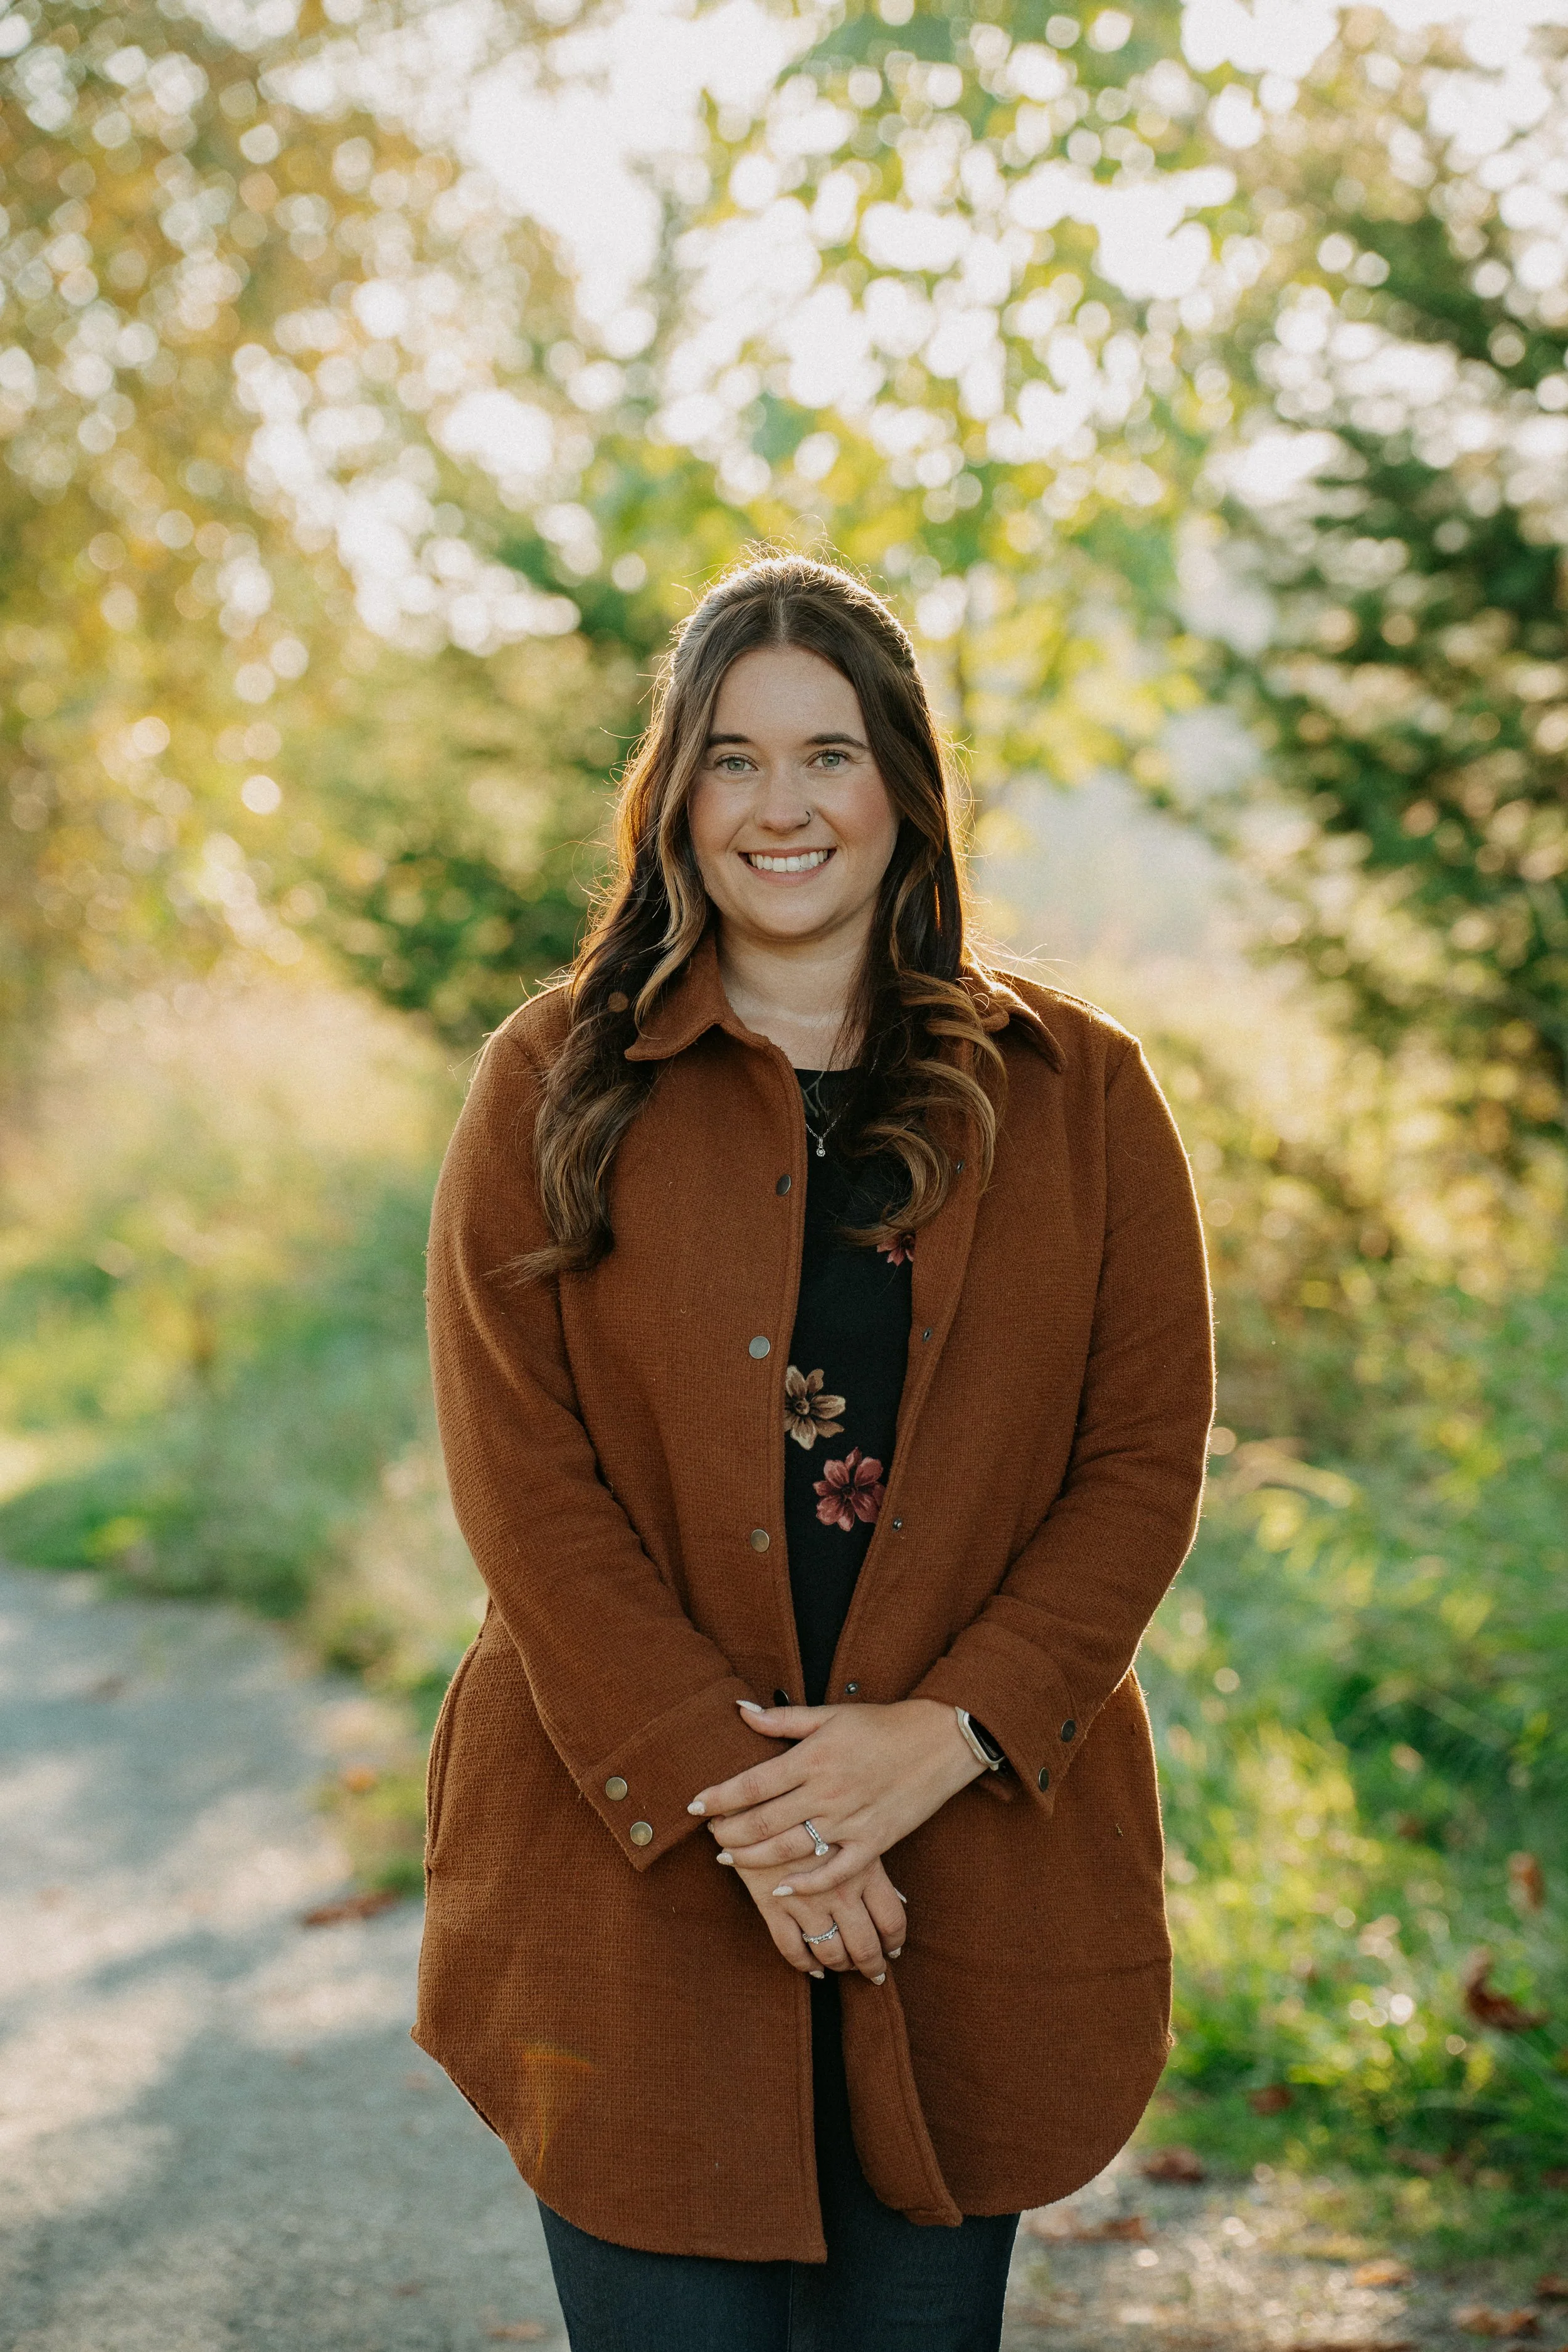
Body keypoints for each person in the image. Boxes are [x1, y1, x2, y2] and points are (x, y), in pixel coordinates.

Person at [415, 553, 1214, 2352]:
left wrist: (942, 1738)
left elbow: (1143, 1458)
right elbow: (522, 1489)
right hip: (630, 1880)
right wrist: (769, 1820)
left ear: (904, 789)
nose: (782, 806)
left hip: (970, 1877)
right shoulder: (547, 1083)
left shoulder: (1081, 1095)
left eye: (828, 754)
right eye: (731, 758)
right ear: (673, 799)